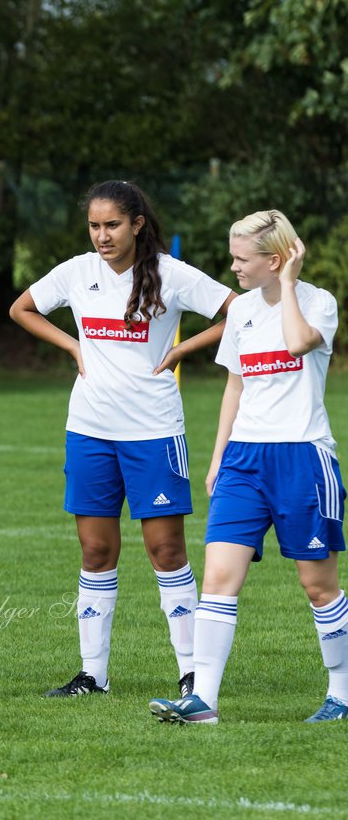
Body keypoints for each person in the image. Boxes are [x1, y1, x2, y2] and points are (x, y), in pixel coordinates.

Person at [9, 180, 235, 699]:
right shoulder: (76, 271)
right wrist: (72, 346)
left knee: (166, 549)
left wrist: (181, 351)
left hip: (154, 432)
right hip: (88, 430)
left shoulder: (170, 275)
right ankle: (93, 674)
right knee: (95, 549)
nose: (102, 236)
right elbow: (22, 308)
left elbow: (238, 310)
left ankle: (192, 671)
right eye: (94, 226)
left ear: (136, 224)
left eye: (112, 225)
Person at [150, 211, 347, 724]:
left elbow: (300, 342)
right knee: (218, 577)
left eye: (241, 258)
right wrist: (218, 458)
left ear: (275, 261)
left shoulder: (317, 303)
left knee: (318, 584)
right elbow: (236, 385)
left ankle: (342, 694)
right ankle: (203, 702)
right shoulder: (239, 316)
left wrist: (287, 285)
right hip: (244, 459)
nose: (232, 266)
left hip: (303, 456)